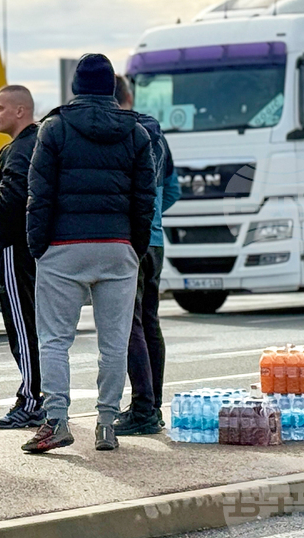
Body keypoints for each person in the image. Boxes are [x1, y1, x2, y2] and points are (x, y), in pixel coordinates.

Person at [23, 54, 155, 454]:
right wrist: (135, 246)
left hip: (64, 247)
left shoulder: (55, 128)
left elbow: (38, 194)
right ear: (113, 90)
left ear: (76, 87)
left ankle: (57, 421)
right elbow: (144, 199)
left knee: (54, 340)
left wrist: (38, 248)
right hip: (117, 247)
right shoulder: (137, 133)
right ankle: (106, 424)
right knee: (113, 343)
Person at [113, 75, 181, 436]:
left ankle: (142, 409)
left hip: (129, 239)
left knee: (129, 325)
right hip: (156, 241)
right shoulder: (157, 134)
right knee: (149, 322)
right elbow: (173, 190)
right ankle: (151, 405)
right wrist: (154, 214)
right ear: (129, 96)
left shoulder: (122, 134)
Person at [0, 85, 44, 429]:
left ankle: (32, 401)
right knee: (39, 325)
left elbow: (12, 199)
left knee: (22, 325)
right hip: (36, 245)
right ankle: (40, 394)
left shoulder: (18, 150)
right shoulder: (42, 143)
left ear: (21, 111)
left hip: (13, 247)